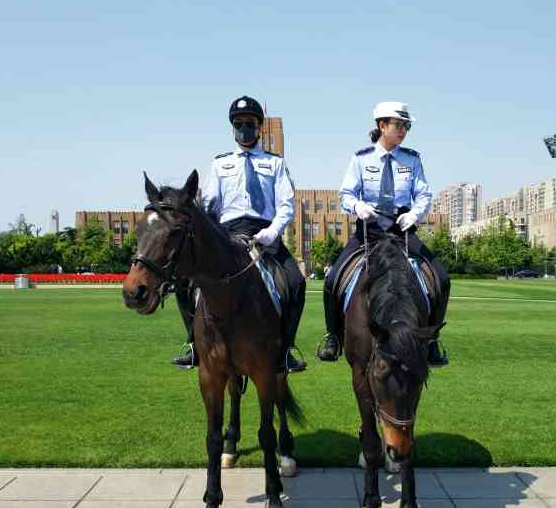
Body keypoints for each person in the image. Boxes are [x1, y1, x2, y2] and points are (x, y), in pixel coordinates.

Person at [172, 95, 306, 374]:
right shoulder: (220, 164)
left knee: (295, 281)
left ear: (259, 127)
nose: (244, 128)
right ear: (232, 128)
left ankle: (286, 349)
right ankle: (194, 345)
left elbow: (286, 204)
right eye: (239, 124)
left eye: (250, 124)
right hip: (228, 236)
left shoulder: (275, 163)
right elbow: (210, 205)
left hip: (265, 235)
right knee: (185, 283)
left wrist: (273, 231)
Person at [316, 101, 449, 366]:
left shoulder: (412, 159)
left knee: (442, 278)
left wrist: (414, 214)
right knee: (332, 280)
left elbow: (423, 194)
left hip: (402, 230)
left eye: (406, 126)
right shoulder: (361, 158)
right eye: (399, 125)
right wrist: (357, 206)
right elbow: (346, 193)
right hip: (370, 229)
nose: (404, 130)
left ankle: (431, 341)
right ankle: (333, 336)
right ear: (382, 126)